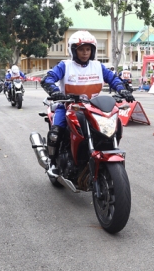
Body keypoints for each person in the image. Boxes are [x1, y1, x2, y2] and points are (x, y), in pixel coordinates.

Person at [40, 30, 133, 177]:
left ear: (93, 50)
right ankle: (52, 162)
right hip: (68, 106)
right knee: (56, 132)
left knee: (115, 126)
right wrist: (55, 92)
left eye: (88, 49)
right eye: (81, 49)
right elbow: (48, 79)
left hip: (93, 108)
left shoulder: (98, 66)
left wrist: (123, 89)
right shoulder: (65, 65)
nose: (85, 53)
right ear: (73, 50)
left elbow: (114, 79)